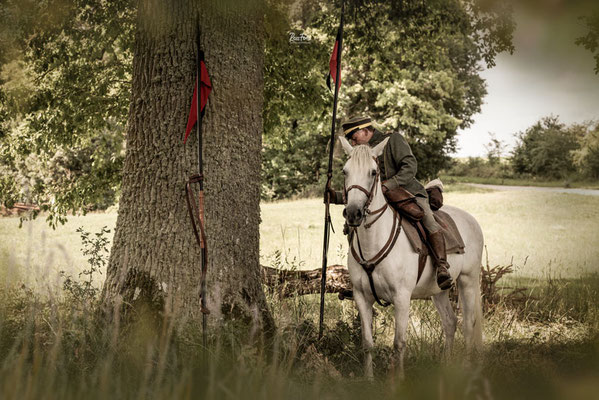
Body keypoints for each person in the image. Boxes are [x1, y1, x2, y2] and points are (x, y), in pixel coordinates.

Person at [325, 116, 452, 290]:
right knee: (354, 227)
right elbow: (360, 187)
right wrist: (337, 197)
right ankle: (359, 279)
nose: (353, 144)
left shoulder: (393, 139)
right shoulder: (358, 153)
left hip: (407, 193)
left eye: (354, 138)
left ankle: (442, 266)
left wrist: (388, 186)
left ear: (365, 131)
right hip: (375, 200)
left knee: (428, 219)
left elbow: (410, 166)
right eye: (351, 141)